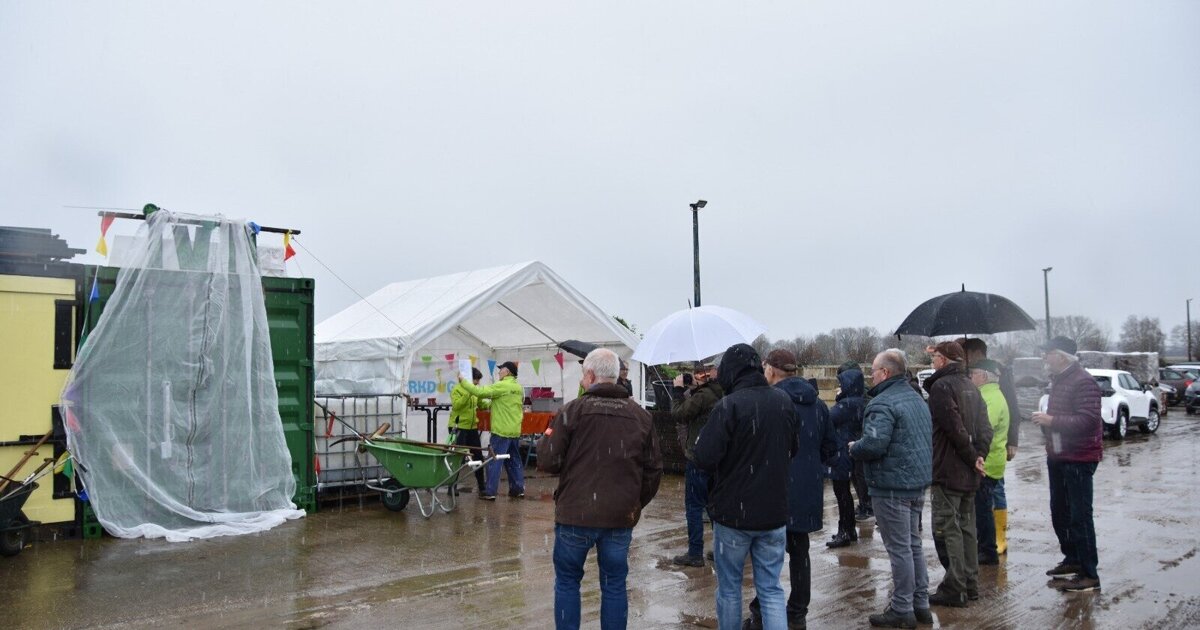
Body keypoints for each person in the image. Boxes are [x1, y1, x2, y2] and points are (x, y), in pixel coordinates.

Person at [537, 348, 663, 630]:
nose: (582, 381)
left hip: (575, 514)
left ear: (592, 376)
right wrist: (633, 503)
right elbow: (654, 470)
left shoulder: (572, 411)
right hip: (619, 516)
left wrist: (546, 440)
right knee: (615, 584)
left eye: (584, 375)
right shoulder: (641, 416)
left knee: (568, 582)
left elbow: (547, 461)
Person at [694, 344, 798, 630]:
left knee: (729, 588)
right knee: (771, 588)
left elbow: (704, 457)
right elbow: (793, 448)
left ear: (730, 372)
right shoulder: (783, 402)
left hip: (733, 514)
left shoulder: (729, 405)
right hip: (773, 511)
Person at [742, 349, 838, 630]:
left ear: (771, 369)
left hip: (773, 486)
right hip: (806, 487)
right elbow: (831, 448)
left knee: (765, 553)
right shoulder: (817, 404)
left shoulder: (769, 402)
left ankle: (761, 613)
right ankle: (797, 613)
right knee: (799, 552)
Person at [849, 349, 933, 628]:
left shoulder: (882, 403)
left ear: (884, 373)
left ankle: (902, 608)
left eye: (872, 372)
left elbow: (874, 444)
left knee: (900, 549)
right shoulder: (915, 397)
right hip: (915, 482)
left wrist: (854, 447)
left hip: (891, 485)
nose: (870, 377)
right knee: (912, 544)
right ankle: (920, 603)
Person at [1031, 336, 1103, 593]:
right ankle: (1072, 558)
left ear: (1061, 356)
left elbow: (1089, 420)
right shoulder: (1060, 380)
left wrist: (1052, 421)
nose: (1044, 358)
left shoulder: (1083, 382)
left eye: (1048, 353)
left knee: (1079, 516)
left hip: (1079, 458)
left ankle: (1089, 574)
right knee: (1060, 511)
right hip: (1059, 455)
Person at [924, 341, 991, 608]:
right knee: (966, 528)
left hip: (948, 469)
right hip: (967, 471)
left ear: (944, 360)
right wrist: (979, 455)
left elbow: (954, 428)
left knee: (947, 529)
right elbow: (984, 428)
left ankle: (955, 586)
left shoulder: (941, 387)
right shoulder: (971, 386)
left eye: (935, 357)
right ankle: (969, 582)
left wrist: (973, 456)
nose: (932, 362)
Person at [959, 338, 1022, 555]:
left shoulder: (995, 386)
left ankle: (995, 541)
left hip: (989, 456)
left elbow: (994, 419)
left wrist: (1012, 440)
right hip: (988, 455)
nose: (971, 375)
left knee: (989, 498)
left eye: (967, 354)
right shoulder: (980, 386)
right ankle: (988, 542)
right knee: (985, 500)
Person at [670, 361, 724, 566]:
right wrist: (695, 389)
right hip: (718, 457)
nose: (698, 375)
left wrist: (677, 391)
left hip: (698, 457)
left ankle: (695, 553)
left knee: (694, 506)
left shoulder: (704, 396)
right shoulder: (722, 392)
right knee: (715, 506)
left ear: (712, 374)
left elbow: (679, 414)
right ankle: (720, 550)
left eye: (702, 372)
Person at [458, 361, 524, 500]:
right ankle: (518, 489)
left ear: (507, 372)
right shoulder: (519, 387)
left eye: (501, 370)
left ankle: (490, 491)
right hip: (514, 430)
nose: (499, 372)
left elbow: (480, 392)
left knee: (494, 461)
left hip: (501, 430)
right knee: (514, 461)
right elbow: (504, 402)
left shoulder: (502, 385)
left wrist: (463, 381)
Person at [969, 359, 1009, 565]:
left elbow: (983, 428)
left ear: (983, 376)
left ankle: (987, 550)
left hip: (988, 461)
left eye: (973, 374)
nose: (970, 377)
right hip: (990, 459)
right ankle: (986, 546)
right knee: (983, 506)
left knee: (983, 509)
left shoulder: (990, 398)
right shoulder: (989, 394)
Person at [828, 364, 866, 547]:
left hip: (842, 452)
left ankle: (845, 530)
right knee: (845, 494)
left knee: (842, 494)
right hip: (851, 450)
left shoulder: (847, 404)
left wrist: (839, 398)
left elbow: (828, 418)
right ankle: (848, 529)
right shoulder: (859, 402)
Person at [449, 367, 490, 493]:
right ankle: (452, 486)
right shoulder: (456, 389)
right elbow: (457, 405)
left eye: (478, 380)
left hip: (472, 427)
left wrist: (492, 404)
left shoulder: (475, 390)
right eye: (476, 380)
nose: (477, 383)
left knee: (478, 456)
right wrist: (468, 392)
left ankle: (481, 486)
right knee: (458, 458)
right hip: (459, 427)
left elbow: (481, 404)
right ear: (468, 379)